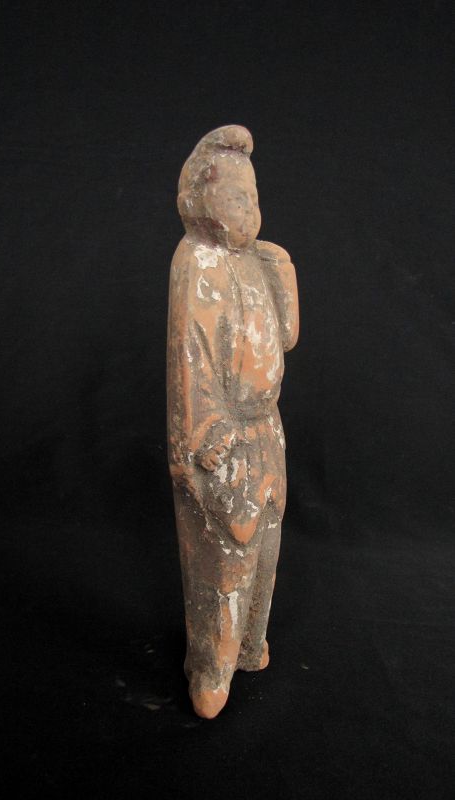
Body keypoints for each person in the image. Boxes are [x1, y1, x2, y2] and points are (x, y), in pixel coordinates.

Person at [167, 125, 299, 718]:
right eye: (237, 197)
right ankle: (211, 667)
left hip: (266, 426)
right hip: (223, 438)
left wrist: (283, 273)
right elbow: (190, 362)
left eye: (254, 197)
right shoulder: (196, 261)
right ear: (200, 200)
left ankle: (249, 645)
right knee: (225, 555)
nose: (250, 209)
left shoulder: (257, 261)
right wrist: (207, 437)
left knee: (266, 545)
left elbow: (286, 338)